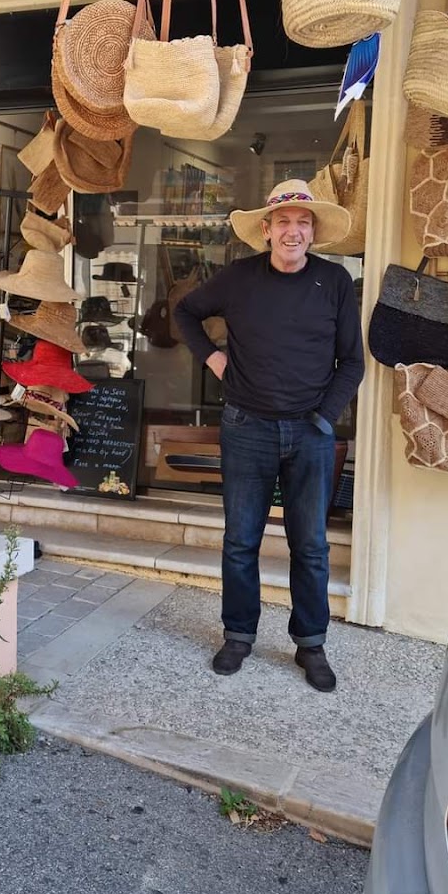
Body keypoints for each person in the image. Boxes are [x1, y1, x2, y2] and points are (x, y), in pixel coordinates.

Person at [173, 180, 365, 689]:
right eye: (283, 222)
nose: (293, 231)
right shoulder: (238, 278)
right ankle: (238, 636)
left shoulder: (334, 281)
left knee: (311, 546)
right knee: (240, 541)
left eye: (303, 222)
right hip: (246, 427)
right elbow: (185, 312)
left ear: (313, 232)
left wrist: (324, 417)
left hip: (311, 431)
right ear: (266, 229)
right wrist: (214, 359)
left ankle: (311, 644)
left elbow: (353, 362)